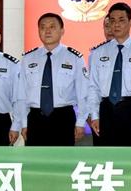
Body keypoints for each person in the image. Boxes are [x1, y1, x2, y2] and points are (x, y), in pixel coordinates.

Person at [87, 2, 131, 147]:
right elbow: (93, 87)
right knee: (105, 156)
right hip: (105, 110)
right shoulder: (98, 52)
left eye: (121, 20)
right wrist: (94, 115)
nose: (116, 24)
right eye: (112, 20)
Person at [18, 13, 87, 146]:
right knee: (35, 158)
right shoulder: (28, 58)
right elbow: (22, 94)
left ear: (62, 31)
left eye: (52, 27)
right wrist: (24, 123)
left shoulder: (74, 57)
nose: (47, 31)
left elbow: (83, 93)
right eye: (43, 27)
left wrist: (80, 122)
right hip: (35, 118)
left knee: (63, 158)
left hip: (63, 118)